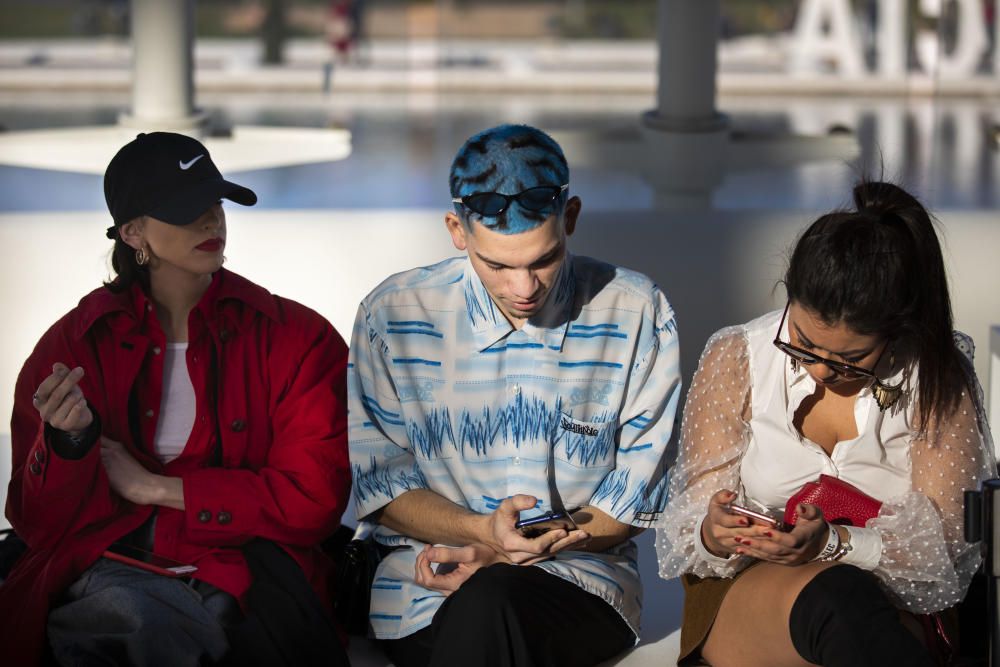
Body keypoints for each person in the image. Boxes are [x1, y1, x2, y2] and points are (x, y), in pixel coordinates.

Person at [0, 132, 351, 666]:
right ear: (133, 232)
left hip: (246, 573)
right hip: (107, 564)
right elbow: (37, 522)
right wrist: (69, 445)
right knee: (129, 613)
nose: (211, 221)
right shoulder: (73, 344)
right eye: (187, 210)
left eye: (215, 202)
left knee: (135, 622)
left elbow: (314, 501)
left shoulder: (297, 337)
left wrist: (156, 488)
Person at [348, 124, 682, 667]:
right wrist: (479, 533)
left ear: (570, 218)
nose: (523, 289)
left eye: (543, 260)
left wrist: (510, 549)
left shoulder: (638, 311)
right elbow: (383, 488)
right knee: (485, 607)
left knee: (493, 600)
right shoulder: (392, 314)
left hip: (581, 586)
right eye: (498, 266)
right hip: (424, 590)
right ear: (457, 230)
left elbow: (630, 504)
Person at [656, 181, 996, 667]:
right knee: (836, 599)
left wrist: (837, 543)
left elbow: (946, 552)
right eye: (801, 343)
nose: (818, 368)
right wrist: (716, 530)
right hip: (753, 597)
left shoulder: (937, 377)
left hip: (895, 606)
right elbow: (687, 523)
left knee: (849, 603)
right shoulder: (737, 356)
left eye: (850, 359)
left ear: (897, 330)